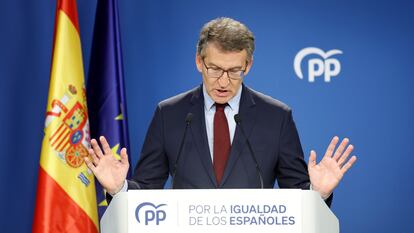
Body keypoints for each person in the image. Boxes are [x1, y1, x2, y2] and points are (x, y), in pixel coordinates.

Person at [84, 17, 357, 205]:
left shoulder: (277, 117)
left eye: (234, 71)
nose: (223, 81)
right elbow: (146, 192)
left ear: (248, 66)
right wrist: (119, 188)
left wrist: (317, 193)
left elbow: (297, 198)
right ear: (199, 62)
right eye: (215, 69)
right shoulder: (170, 114)